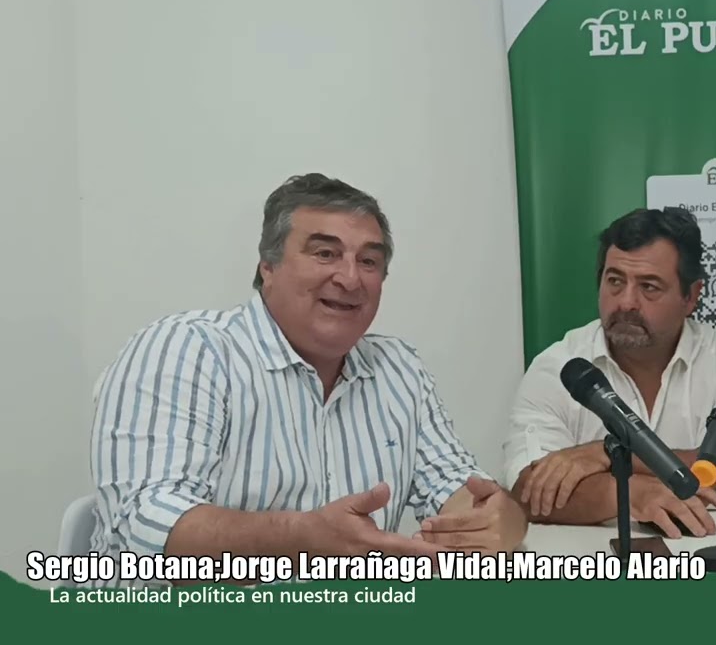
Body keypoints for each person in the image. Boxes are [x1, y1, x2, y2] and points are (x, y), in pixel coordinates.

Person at [87, 173, 526, 586]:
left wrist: (497, 518)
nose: (350, 278)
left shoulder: (399, 368)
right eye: (324, 253)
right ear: (268, 267)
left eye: (369, 261)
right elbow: (143, 527)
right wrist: (299, 541)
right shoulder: (188, 349)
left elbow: (460, 490)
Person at [502, 207, 716, 540]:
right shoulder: (559, 367)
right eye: (614, 281)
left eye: (649, 287)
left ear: (691, 297)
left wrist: (607, 454)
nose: (626, 302)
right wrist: (631, 493)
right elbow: (531, 489)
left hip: (703, 558)